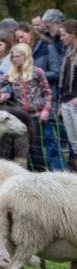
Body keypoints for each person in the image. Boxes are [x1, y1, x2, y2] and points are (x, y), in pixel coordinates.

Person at [0, 43, 64, 171]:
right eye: (13, 57)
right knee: (24, 146)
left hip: (37, 115)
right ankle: (27, 171)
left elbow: (47, 92)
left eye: (17, 56)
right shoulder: (12, 73)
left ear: (25, 56)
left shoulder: (37, 72)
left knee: (37, 146)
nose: (14, 59)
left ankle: (42, 171)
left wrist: (46, 110)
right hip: (21, 115)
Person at [16, 22, 62, 87]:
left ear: (30, 32)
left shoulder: (48, 48)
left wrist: (35, 75)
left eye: (22, 36)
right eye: (18, 39)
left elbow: (57, 73)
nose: (20, 41)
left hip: (46, 94)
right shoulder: (22, 53)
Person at [58, 19, 77, 166]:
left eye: (64, 34)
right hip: (66, 102)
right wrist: (60, 103)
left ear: (74, 34)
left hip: (75, 102)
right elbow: (63, 81)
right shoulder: (68, 52)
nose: (61, 38)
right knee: (74, 144)